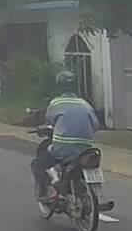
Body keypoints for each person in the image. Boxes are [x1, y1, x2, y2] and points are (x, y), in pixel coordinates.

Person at [32, 70, 99, 200]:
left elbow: (50, 121)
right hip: (85, 149)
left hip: (63, 149)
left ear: (59, 87)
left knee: (37, 164)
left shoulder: (56, 103)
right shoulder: (85, 104)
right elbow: (95, 124)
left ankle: (50, 190)